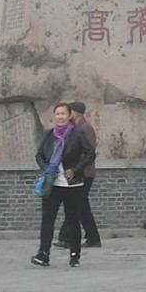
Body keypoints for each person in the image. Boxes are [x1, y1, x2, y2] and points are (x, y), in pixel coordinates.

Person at [30, 101, 97, 267]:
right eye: (57, 114)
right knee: (47, 218)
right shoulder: (49, 135)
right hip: (52, 183)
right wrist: (47, 169)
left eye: (63, 114)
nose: (60, 117)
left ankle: (75, 255)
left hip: (72, 185)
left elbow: (90, 154)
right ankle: (43, 253)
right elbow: (39, 155)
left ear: (69, 116)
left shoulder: (77, 134)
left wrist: (75, 170)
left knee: (73, 220)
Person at [69, 102, 102, 249]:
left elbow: (88, 151)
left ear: (76, 112)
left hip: (85, 172)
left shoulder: (86, 128)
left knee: (77, 204)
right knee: (81, 206)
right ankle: (92, 237)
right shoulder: (75, 128)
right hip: (78, 171)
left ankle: (68, 237)